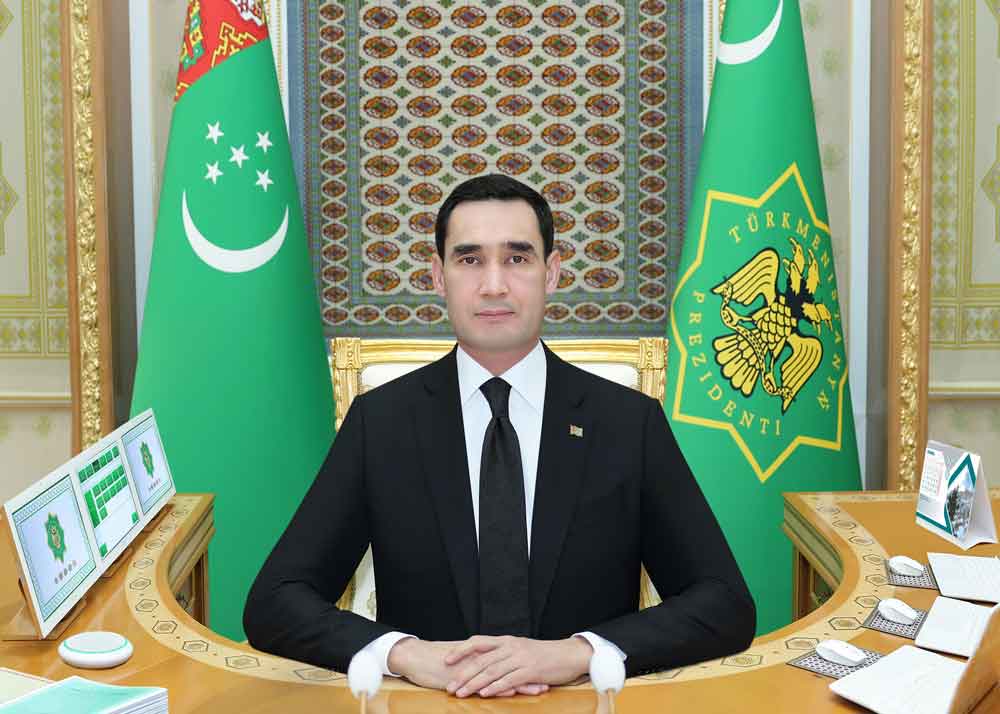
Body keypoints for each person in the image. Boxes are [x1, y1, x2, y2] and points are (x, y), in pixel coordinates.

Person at [244, 174, 755, 698]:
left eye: (517, 258)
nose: (493, 285)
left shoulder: (628, 423)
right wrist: (405, 653)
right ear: (438, 276)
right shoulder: (381, 423)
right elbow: (275, 601)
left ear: (551, 272)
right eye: (469, 259)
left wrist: (579, 652)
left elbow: (725, 603)